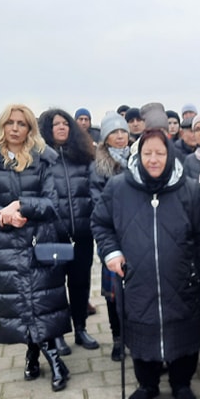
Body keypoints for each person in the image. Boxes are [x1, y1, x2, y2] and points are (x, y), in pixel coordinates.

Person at [92, 127, 200, 399]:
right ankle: (147, 385)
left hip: (183, 279)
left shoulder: (190, 189)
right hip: (137, 280)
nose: (153, 159)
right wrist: (111, 252)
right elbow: (101, 223)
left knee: (185, 334)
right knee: (141, 333)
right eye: (147, 153)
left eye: (160, 153)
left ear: (169, 155)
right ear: (139, 155)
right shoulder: (118, 187)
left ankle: (181, 384)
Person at [0, 103, 72, 391]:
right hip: (6, 242)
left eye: (22, 123)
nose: (15, 128)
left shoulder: (43, 158)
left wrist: (22, 205)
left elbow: (53, 203)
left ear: (30, 128)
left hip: (39, 239)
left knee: (41, 302)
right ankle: (35, 353)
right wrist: (1, 215)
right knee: (19, 304)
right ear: (2, 125)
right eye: (10, 123)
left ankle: (52, 360)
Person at [38, 108, 100, 355]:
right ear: (47, 130)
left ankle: (81, 328)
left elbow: (94, 190)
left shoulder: (84, 156)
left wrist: (94, 218)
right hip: (55, 235)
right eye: (56, 124)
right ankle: (58, 334)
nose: (62, 127)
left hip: (83, 234)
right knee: (55, 287)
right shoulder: (41, 160)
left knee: (80, 283)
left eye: (65, 123)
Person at [91, 111, 131, 362]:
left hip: (138, 236)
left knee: (135, 290)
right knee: (113, 292)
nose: (119, 136)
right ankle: (118, 338)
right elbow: (98, 204)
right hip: (113, 236)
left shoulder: (138, 159)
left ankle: (134, 335)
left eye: (122, 131)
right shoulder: (98, 166)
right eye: (114, 132)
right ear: (105, 138)